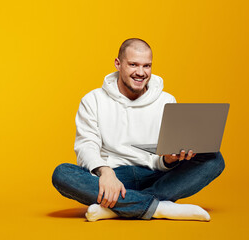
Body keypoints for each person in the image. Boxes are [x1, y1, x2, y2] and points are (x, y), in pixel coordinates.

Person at [52, 38, 225, 222]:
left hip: (156, 177)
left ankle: (120, 207)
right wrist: (105, 172)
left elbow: (162, 157)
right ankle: (158, 207)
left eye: (147, 66)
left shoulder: (166, 100)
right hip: (115, 178)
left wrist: (168, 160)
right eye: (133, 65)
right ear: (118, 64)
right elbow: (87, 145)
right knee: (62, 174)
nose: (141, 73)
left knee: (214, 159)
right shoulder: (93, 100)